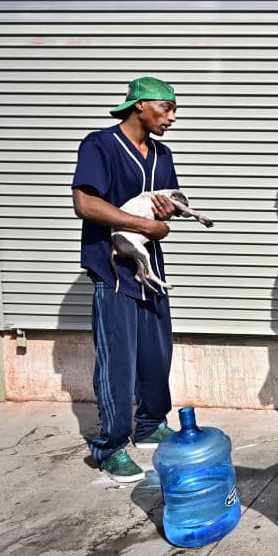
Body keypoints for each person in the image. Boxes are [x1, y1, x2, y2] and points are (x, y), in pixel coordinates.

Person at [71, 76, 182, 482]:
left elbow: (167, 203)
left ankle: (151, 426)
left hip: (149, 268)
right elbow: (84, 202)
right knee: (118, 362)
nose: (172, 117)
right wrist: (140, 222)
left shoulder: (162, 154)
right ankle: (110, 447)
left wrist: (165, 215)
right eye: (165, 108)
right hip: (113, 270)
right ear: (139, 106)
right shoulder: (99, 145)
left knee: (156, 353)